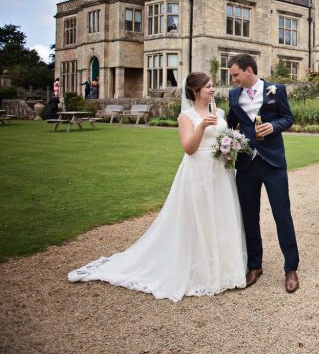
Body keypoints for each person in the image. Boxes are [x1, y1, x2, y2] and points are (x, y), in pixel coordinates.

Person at [68, 72, 247, 302]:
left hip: (220, 174)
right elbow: (189, 149)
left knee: (221, 215)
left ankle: (226, 269)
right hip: (197, 173)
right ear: (195, 91)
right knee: (199, 218)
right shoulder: (186, 116)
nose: (212, 90)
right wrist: (202, 126)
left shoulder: (220, 112)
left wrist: (231, 144)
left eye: (212, 86)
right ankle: (201, 271)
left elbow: (223, 137)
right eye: (208, 86)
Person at [227, 54, 300, 293]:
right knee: (249, 216)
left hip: (273, 163)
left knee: (282, 215)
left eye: (236, 75)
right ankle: (254, 265)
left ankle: (291, 268)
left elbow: (288, 118)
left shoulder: (276, 90)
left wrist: (274, 126)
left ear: (249, 70)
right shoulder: (233, 95)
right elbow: (229, 124)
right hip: (247, 165)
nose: (234, 80)